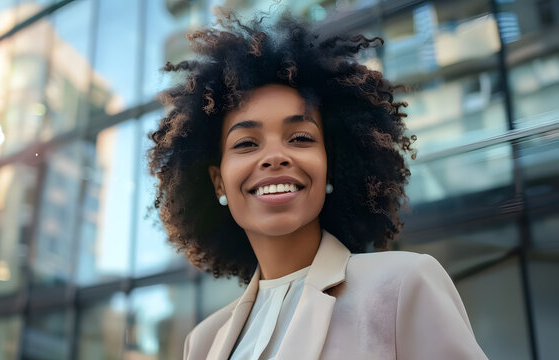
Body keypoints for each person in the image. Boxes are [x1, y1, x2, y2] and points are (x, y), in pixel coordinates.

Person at [148, 8, 488, 360]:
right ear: (219, 183)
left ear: (331, 165)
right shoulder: (203, 342)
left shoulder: (404, 286)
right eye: (247, 143)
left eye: (299, 138)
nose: (274, 157)